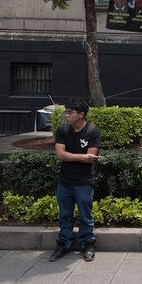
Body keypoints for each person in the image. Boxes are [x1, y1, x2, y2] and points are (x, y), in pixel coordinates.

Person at [50, 99, 101, 262]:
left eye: (69, 112)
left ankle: (88, 244)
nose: (66, 115)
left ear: (81, 114)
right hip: (64, 181)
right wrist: (83, 156)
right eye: (66, 112)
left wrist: (78, 157)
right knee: (65, 215)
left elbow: (91, 159)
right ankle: (63, 245)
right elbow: (60, 155)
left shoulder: (92, 131)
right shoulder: (62, 130)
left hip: (84, 182)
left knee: (86, 216)